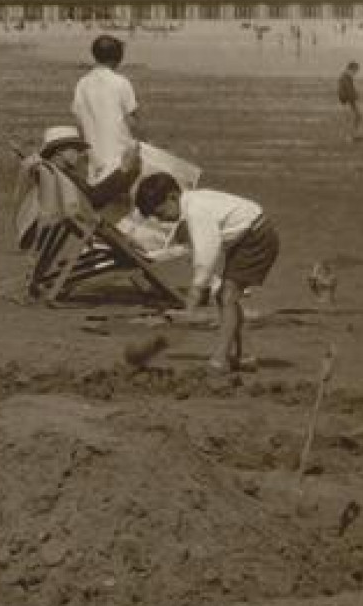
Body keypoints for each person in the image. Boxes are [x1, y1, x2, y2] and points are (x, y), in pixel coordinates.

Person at [134, 173, 279, 374]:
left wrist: (197, 287)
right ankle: (244, 356)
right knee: (227, 296)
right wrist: (152, 256)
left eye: (161, 213)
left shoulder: (196, 211)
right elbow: (187, 247)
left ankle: (220, 360)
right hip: (246, 237)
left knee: (227, 297)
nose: (162, 220)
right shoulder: (192, 206)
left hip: (256, 237)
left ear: (173, 197)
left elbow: (206, 251)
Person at [71, 34, 144, 208]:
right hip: (122, 164)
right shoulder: (120, 83)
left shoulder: (82, 84)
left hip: (96, 166)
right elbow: (133, 121)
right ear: (117, 58)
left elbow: (80, 123)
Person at [337, 61, 363, 142]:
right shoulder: (345, 78)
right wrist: (353, 98)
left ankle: (353, 135)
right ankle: (349, 137)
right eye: (355, 71)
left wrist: (355, 96)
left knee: (357, 117)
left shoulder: (346, 78)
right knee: (352, 118)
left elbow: (349, 90)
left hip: (349, 102)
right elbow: (346, 91)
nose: (355, 73)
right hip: (347, 102)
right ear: (351, 69)